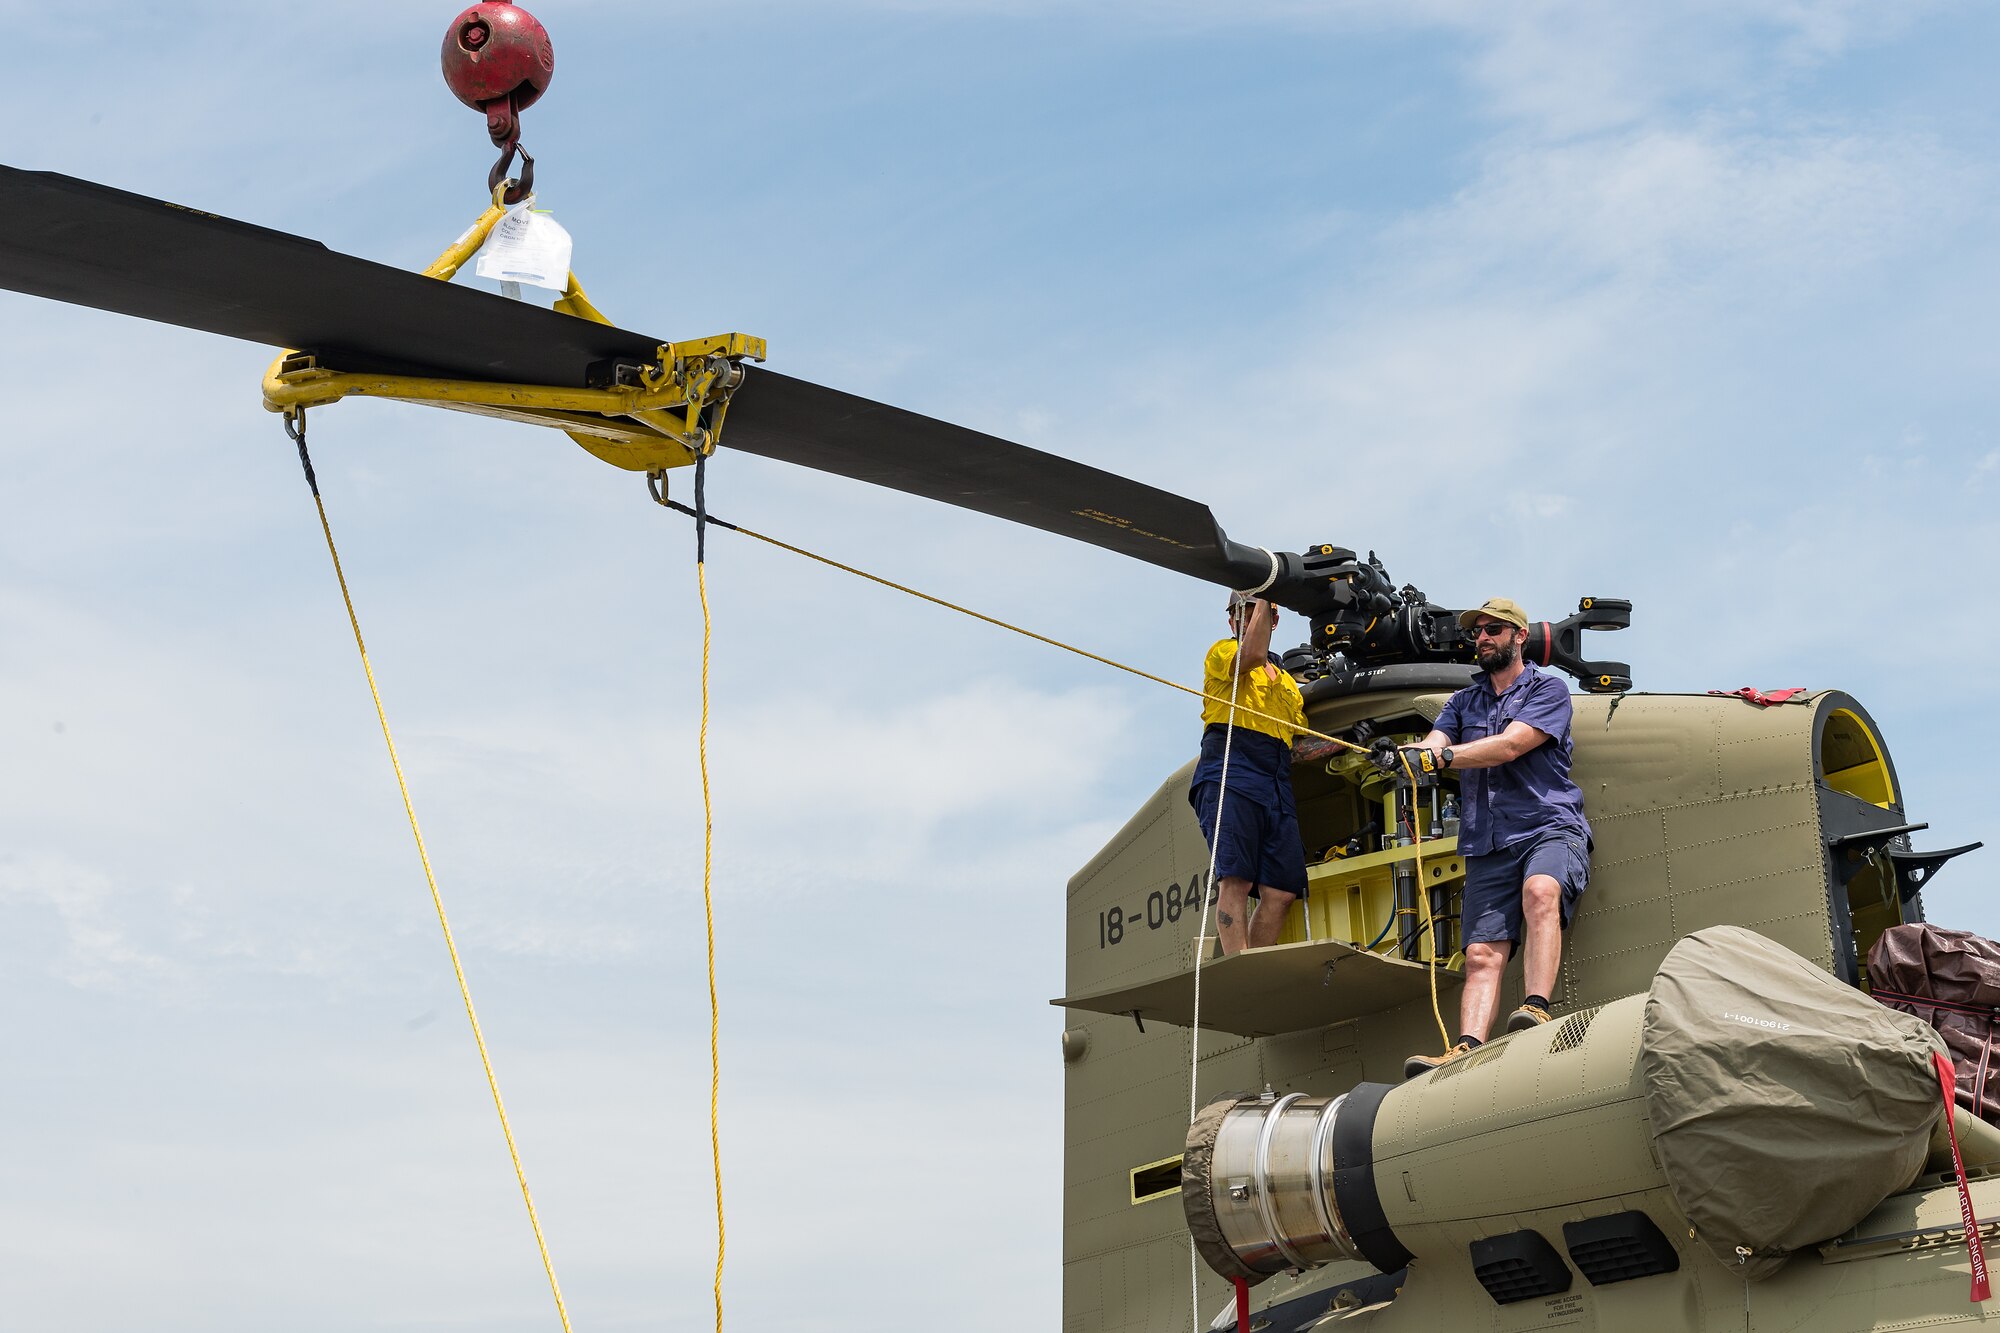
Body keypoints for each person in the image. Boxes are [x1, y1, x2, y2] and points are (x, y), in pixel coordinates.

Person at [1376, 597, 1592, 1078]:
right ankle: (1467, 1047)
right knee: (1479, 954)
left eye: (1494, 629)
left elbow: (1512, 745)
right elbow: (1437, 742)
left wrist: (1443, 759)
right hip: (1487, 843)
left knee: (1541, 891)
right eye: (1477, 631)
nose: (1483, 638)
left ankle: (1536, 1007)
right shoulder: (1461, 703)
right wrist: (1410, 755)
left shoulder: (1548, 690)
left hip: (1546, 827)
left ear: (1519, 637)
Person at [1189, 595, 1338, 955]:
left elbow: (1296, 746)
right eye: (1240, 612)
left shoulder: (1287, 684)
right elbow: (1252, 654)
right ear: (1231, 622)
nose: (1247, 618)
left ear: (1275, 619)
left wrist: (1346, 744)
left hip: (1275, 778)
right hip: (1230, 768)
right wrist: (1267, 593)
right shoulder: (1223, 653)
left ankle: (1250, 963)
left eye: (1256, 611)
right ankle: (1240, 967)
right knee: (1236, 879)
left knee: (1284, 889)